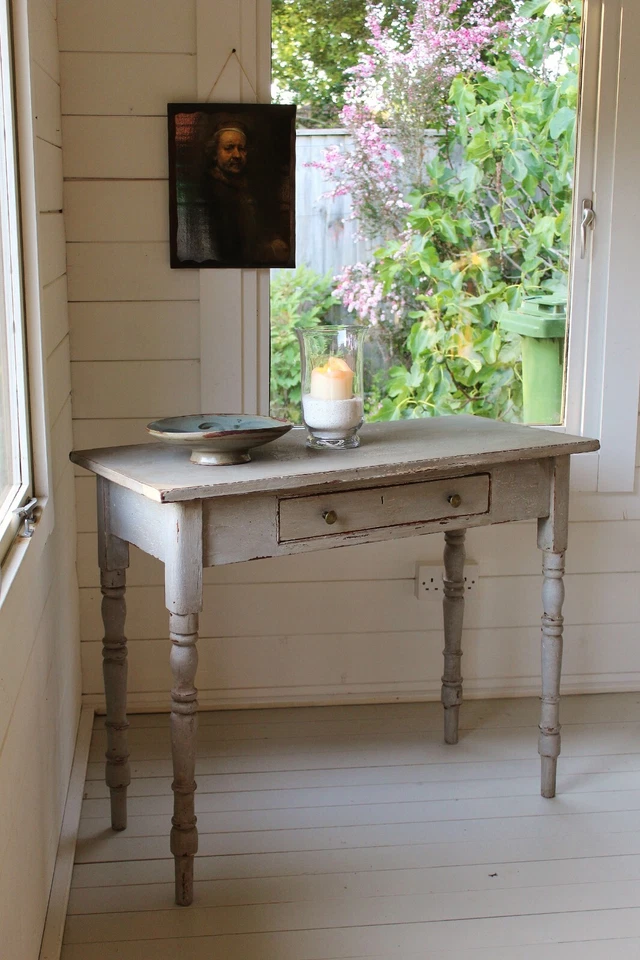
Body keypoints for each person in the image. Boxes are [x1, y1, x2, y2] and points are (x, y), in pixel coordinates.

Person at [202, 119, 290, 266]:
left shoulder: (249, 188)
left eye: (241, 149)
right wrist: (268, 250)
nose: (237, 155)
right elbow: (227, 247)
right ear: (214, 153)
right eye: (229, 148)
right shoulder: (208, 191)